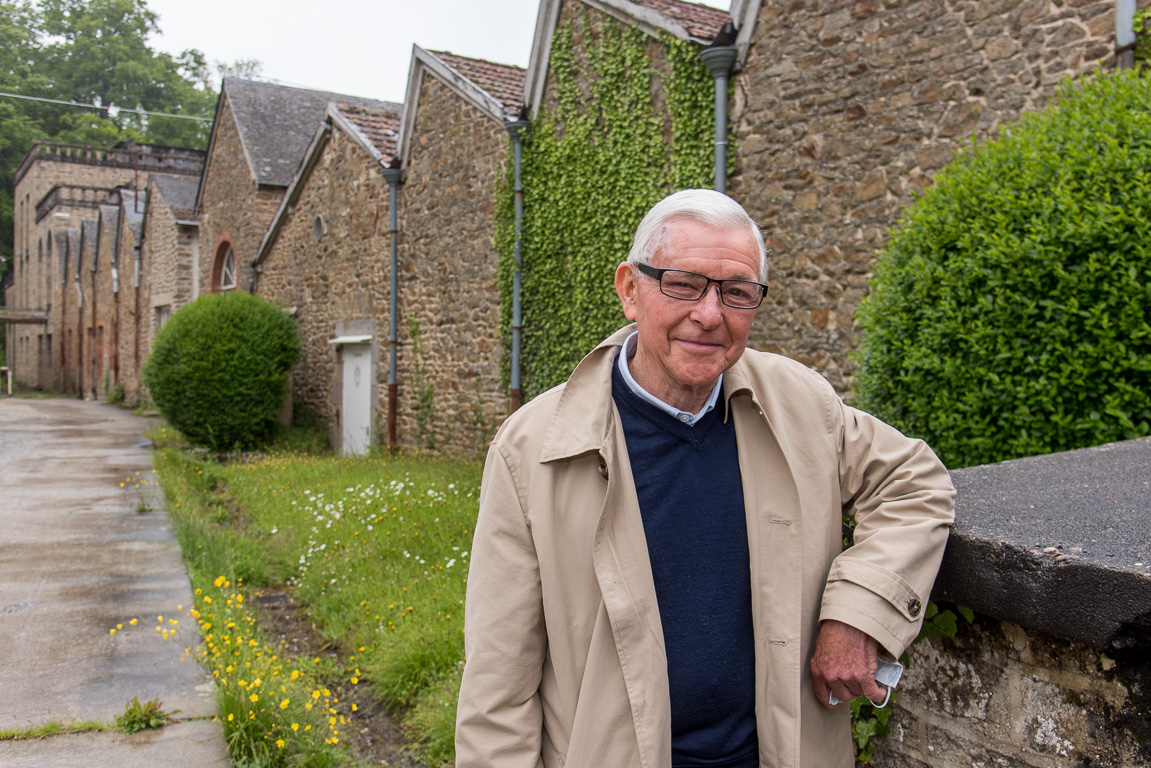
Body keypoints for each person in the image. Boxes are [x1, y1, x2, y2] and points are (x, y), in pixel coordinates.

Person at [455, 189, 955, 767]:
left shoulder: (799, 403)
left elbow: (915, 482)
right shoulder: (532, 449)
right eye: (683, 283)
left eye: (737, 293)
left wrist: (857, 613)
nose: (710, 314)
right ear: (629, 290)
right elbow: (498, 693)